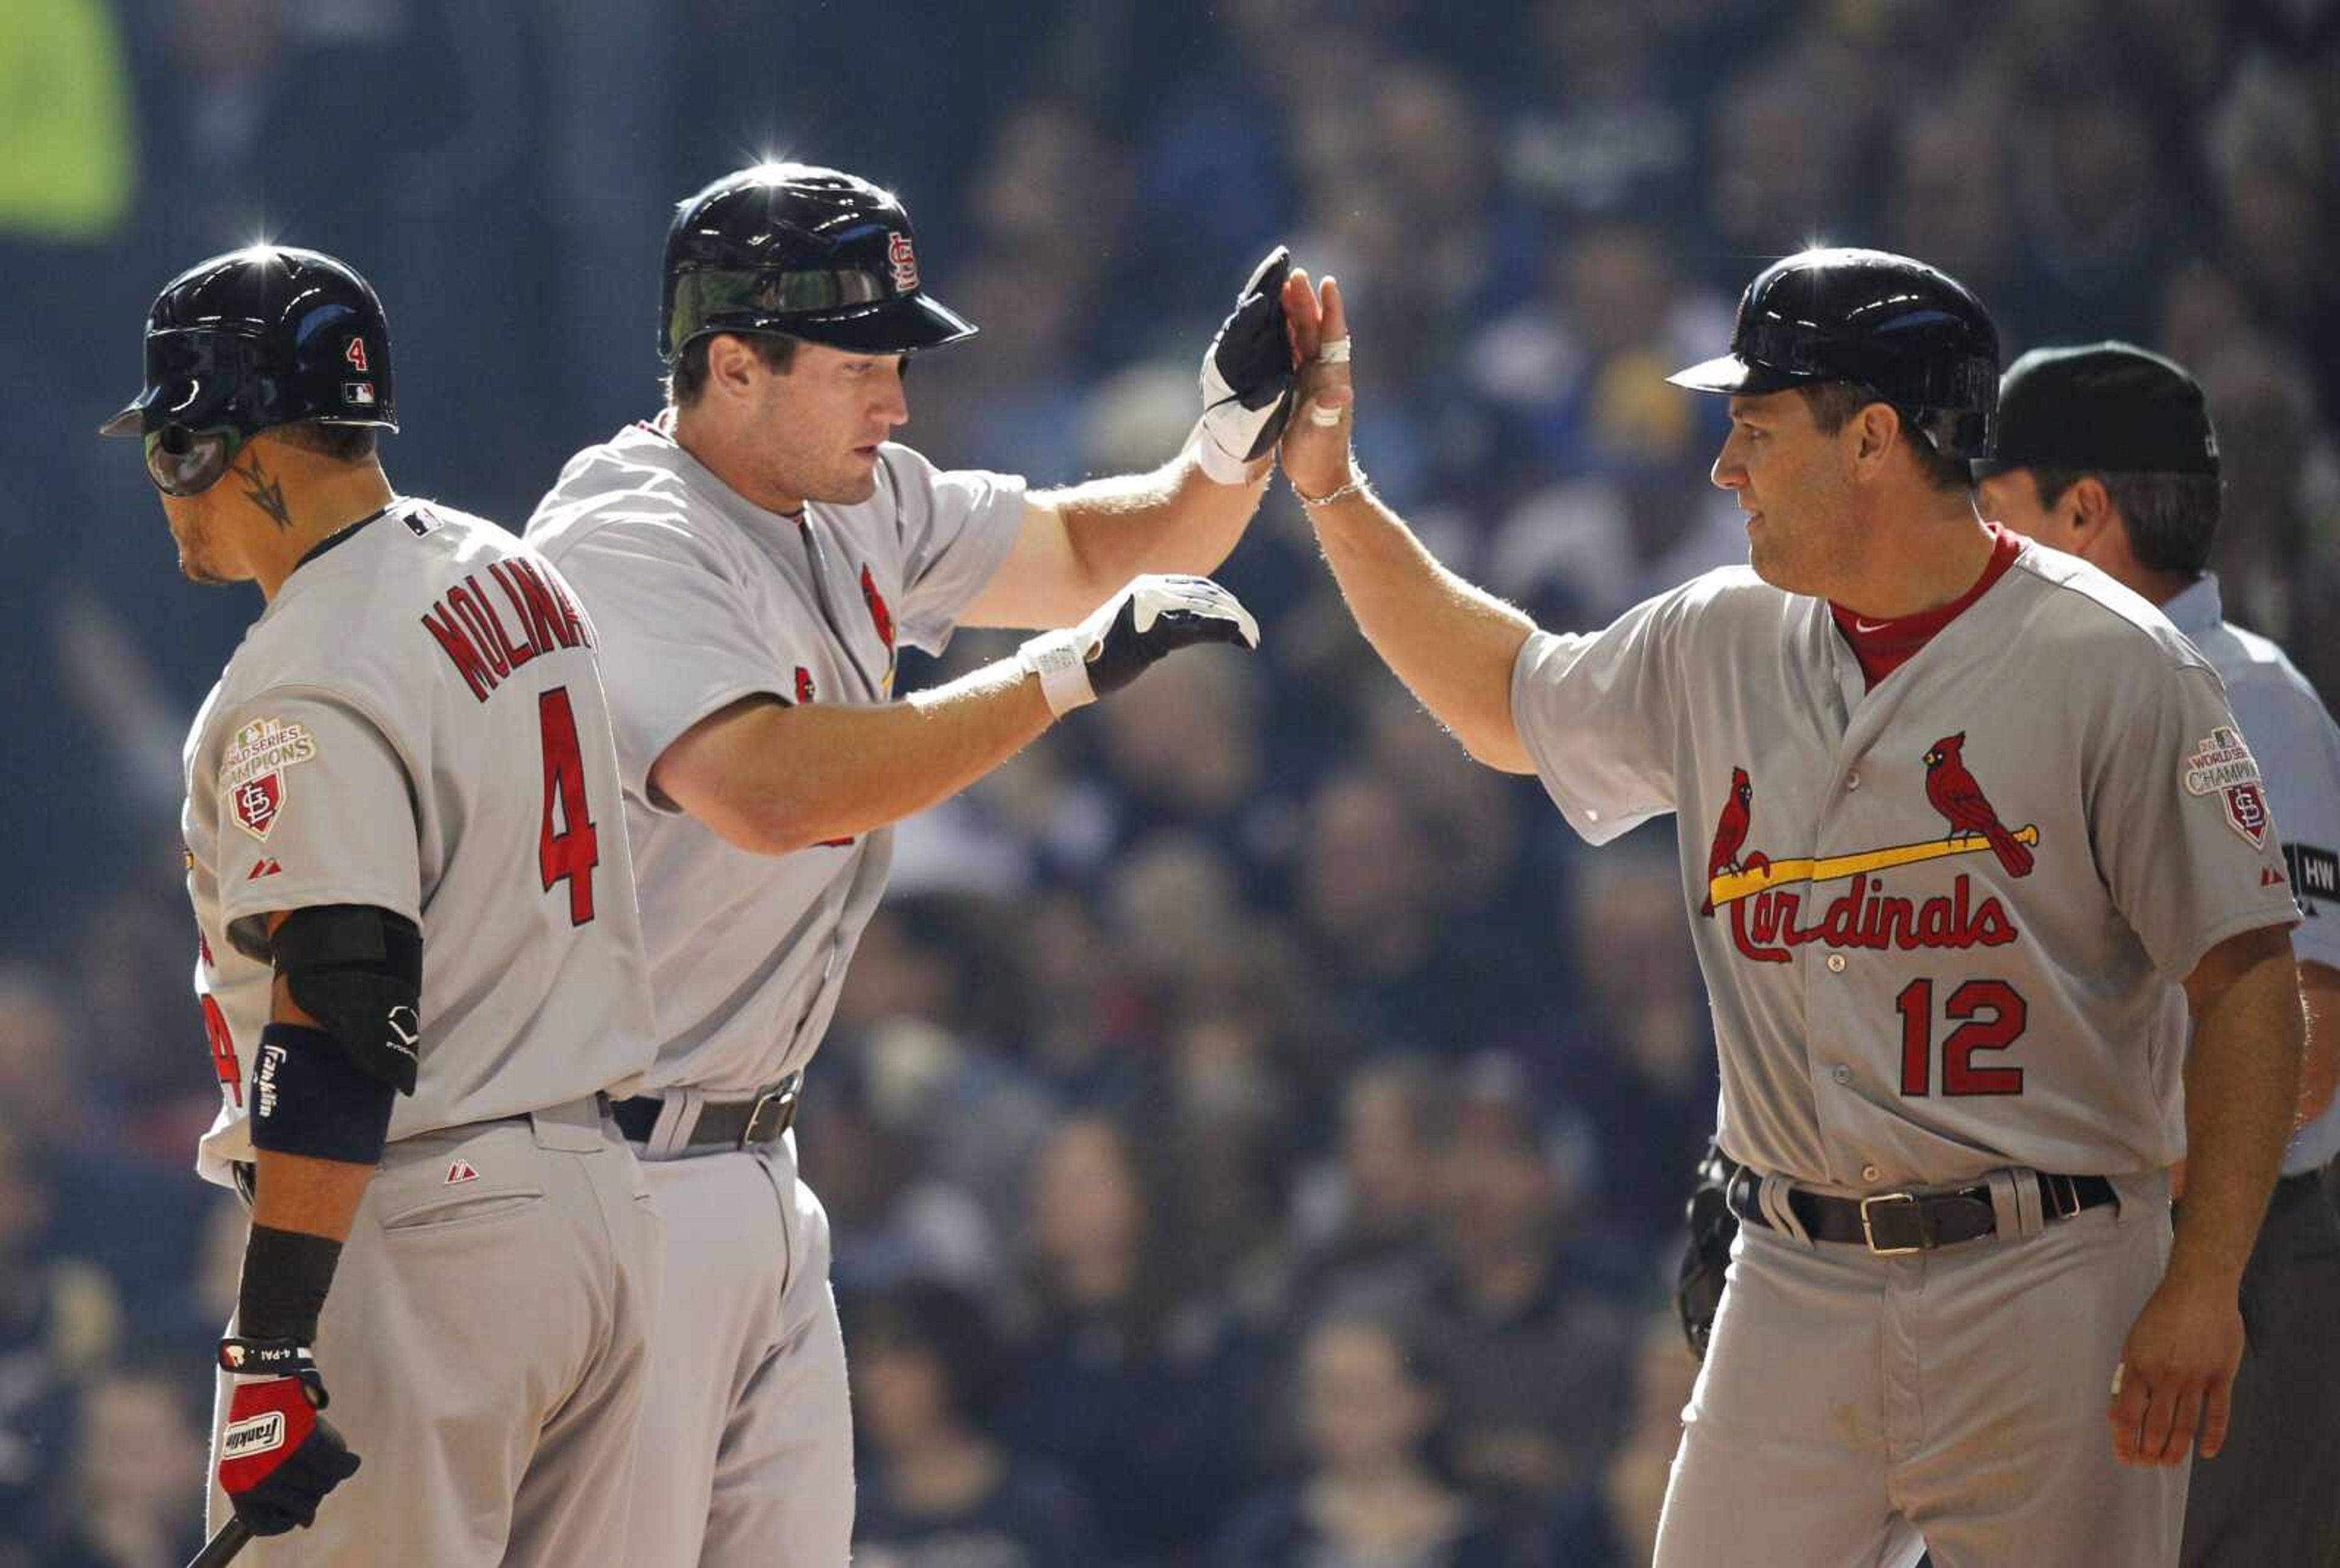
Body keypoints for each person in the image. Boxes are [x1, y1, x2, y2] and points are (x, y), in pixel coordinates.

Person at [1275, 246, 2306, 1567]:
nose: (1726, 468)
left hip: (2050, 1272)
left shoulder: (2117, 665)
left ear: (1873, 437)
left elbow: (2249, 986)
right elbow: (1508, 700)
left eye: (1756, 429)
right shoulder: (1721, 635)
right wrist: (1335, 491)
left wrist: (2206, 1274)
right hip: (1793, 1269)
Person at [524, 161, 1276, 1565]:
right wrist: (1054, 681)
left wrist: (1228, 449)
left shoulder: (854, 496)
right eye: (865, 362)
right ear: (735, 366)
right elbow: (773, 788)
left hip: (750, 1157)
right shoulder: (620, 535)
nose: (899, 399)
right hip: (599, 1172)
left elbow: (1096, 549)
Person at [101, 246, 662, 1563]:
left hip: (427, 1226)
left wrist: (274, 1340)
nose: (157, 478)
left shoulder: (304, 675)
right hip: (601, 1216)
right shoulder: (507, 572)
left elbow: (347, 1001)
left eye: (168, 439)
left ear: (226, 447)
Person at [1973, 341, 2340, 1568]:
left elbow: (2308, 1042)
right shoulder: (2065, 694)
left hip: (2233, 1267)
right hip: (2104, 1256)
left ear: (2084, 513)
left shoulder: (2249, 703)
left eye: (1993, 507)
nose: (1974, 546)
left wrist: (2150, 1252)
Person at [845, 1279, 1100, 1568]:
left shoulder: (1039, 1506)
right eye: (864, 1360)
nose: (873, 1381)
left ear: (952, 1360)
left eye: (899, 1355)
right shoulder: (846, 1515)